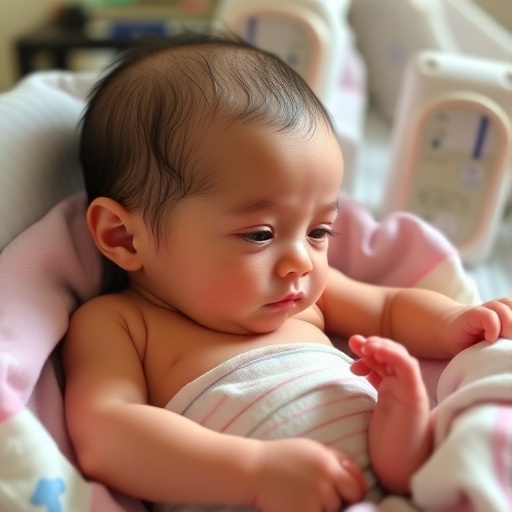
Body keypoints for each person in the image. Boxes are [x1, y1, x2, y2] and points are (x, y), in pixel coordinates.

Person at [63, 33, 512, 512]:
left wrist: (450, 323)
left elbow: (389, 308)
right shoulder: (120, 323)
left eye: (320, 231)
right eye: (259, 235)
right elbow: (106, 432)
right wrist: (256, 472)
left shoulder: (305, 299)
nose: (302, 260)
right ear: (124, 237)